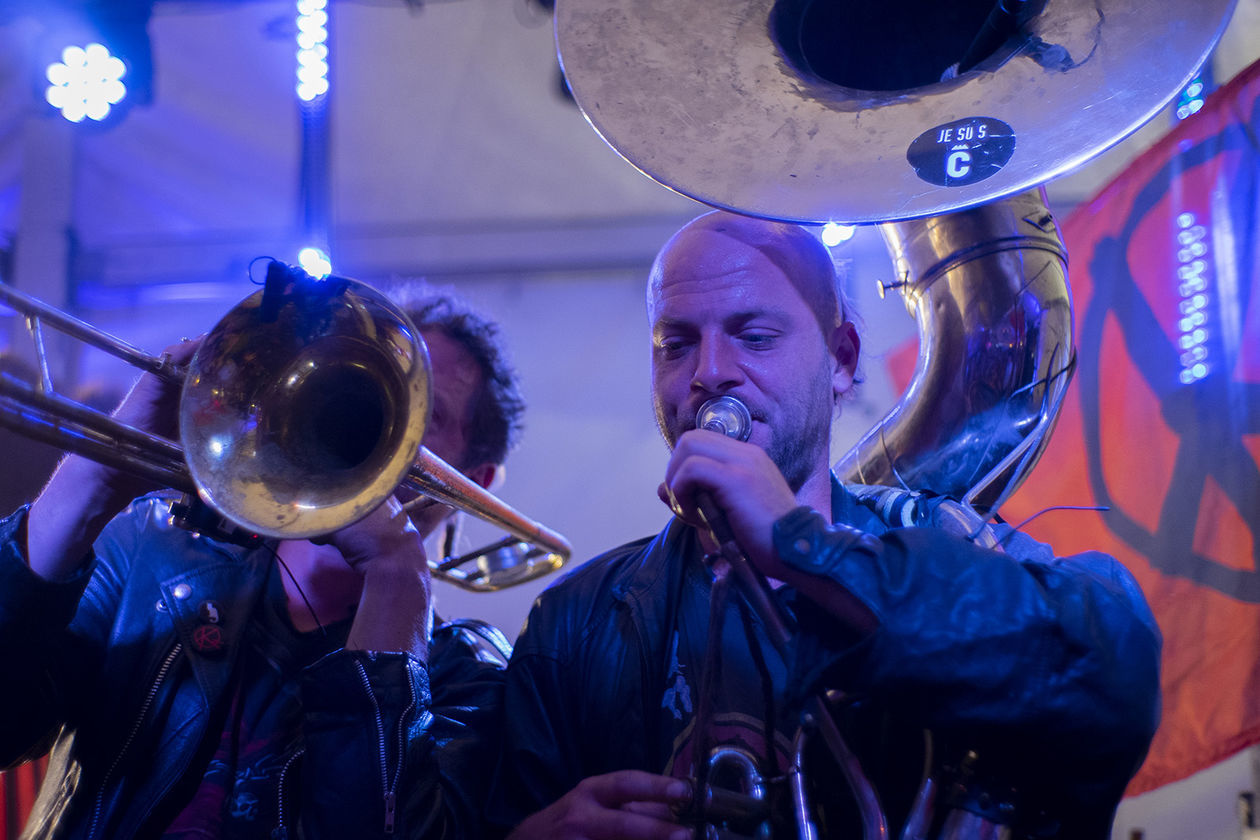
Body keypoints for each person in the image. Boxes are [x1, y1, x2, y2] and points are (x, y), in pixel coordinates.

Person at [486, 211, 1162, 839]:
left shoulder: (951, 541)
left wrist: (801, 546)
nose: (710, 374)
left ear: (841, 360)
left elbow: (1118, 665)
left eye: (754, 336)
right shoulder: (572, 622)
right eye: (676, 344)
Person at [0, 281, 524, 839]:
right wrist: (95, 478)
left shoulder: (467, 679)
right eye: (371, 394)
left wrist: (397, 578)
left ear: (477, 480)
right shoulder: (151, 549)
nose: (368, 428)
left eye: (430, 414)